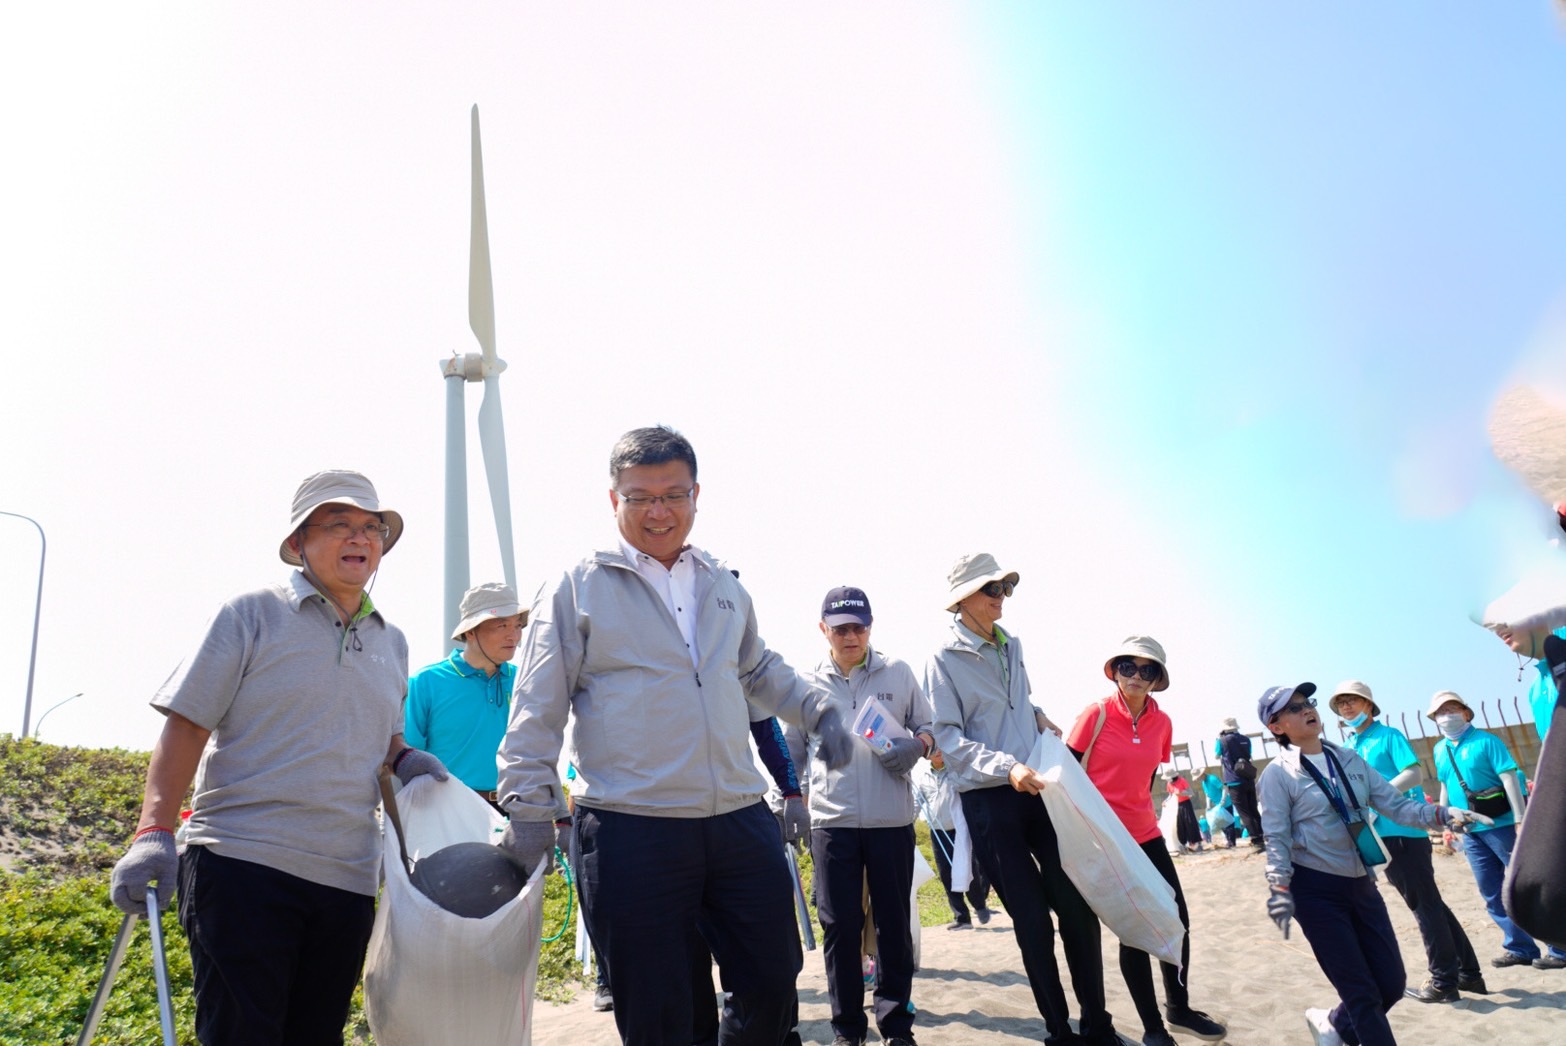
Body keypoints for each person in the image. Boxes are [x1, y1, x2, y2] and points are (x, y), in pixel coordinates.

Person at [495, 425, 852, 1046]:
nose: (658, 511)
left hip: (738, 817)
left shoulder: (722, 583)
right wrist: (528, 807)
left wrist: (819, 710)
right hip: (633, 825)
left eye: (673, 494)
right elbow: (536, 705)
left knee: (773, 981)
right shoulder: (576, 586)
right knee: (661, 1011)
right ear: (614, 501)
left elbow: (758, 668)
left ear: (695, 495)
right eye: (640, 497)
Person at [108, 470, 449, 1045]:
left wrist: (405, 755)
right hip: (244, 863)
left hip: (346, 878)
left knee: (315, 1036)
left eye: (371, 528)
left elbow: (382, 737)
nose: (359, 539)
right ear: (298, 544)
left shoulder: (392, 641)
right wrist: (154, 831)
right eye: (339, 525)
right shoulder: (251, 614)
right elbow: (188, 723)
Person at [927, 552, 1119, 1046]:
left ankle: (1098, 1025)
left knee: (1076, 909)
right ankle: (1060, 1031)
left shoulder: (1013, 646)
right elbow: (947, 736)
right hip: (990, 802)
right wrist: (1004, 767)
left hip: (1036, 791)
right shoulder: (942, 659)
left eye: (1006, 587)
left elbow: (1017, 700)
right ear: (962, 599)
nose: (1001, 596)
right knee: (1033, 923)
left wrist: (1039, 717)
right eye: (991, 588)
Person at [1256, 683, 1487, 1046]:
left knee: (1391, 984)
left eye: (1307, 703)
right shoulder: (1276, 775)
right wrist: (1280, 887)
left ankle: (1333, 1025)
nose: (1306, 710)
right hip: (1314, 890)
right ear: (1276, 726)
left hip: (1362, 882)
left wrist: (1443, 813)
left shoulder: (1349, 759)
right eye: (1293, 708)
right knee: (1362, 993)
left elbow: (1396, 806)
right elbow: (1276, 836)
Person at [784, 585, 933, 1046]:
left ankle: (895, 1024)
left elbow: (930, 728)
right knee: (839, 927)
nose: (851, 636)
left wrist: (919, 745)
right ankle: (848, 1029)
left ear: (870, 626)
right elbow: (792, 754)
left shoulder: (899, 673)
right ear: (823, 628)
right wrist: (791, 800)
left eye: (859, 627)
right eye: (841, 628)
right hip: (832, 824)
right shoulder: (804, 685)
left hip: (891, 822)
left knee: (893, 925)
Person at [1064, 636, 1226, 1046]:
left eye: (1147, 669)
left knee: (1177, 921)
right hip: (1106, 838)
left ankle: (1179, 1009)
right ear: (1114, 670)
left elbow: (1150, 775)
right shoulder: (1095, 714)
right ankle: (1153, 1028)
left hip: (1147, 832)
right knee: (1133, 930)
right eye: (1127, 667)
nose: (1136, 676)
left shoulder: (1163, 722)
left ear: (1158, 679)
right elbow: (1065, 772)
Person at [1328, 680, 1487, 1001]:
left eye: (1353, 701)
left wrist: (1377, 800)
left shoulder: (1388, 736)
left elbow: (1413, 773)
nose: (1346, 707)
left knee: (1423, 905)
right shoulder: (1349, 746)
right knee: (1430, 902)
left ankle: (1444, 981)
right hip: (1375, 834)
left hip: (1402, 831)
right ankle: (1469, 974)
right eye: (1341, 703)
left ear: (1369, 706)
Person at [1426, 689, 1566, 970]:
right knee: (1490, 890)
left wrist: (1520, 818)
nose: (1447, 716)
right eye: (1441, 712)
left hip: (1502, 826)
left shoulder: (1487, 741)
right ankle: (1519, 947)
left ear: (1466, 713)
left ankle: (1559, 948)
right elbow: (1443, 786)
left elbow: (1509, 777)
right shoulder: (1440, 749)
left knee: (1528, 884)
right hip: (1470, 830)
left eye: (1452, 709)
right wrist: (1444, 820)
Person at [405, 582, 526, 808]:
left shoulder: (524, 681)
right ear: (470, 631)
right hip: (447, 809)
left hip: (515, 811)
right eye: (502, 626)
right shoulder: (425, 682)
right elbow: (406, 757)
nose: (514, 636)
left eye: (518, 626)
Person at [912, 749, 994, 929]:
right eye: (932, 751)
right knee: (945, 873)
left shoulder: (955, 771)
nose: (937, 752)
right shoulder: (924, 777)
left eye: (939, 748)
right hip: (937, 831)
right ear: (926, 755)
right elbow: (918, 802)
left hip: (960, 829)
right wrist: (908, 822)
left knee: (967, 869)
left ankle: (980, 906)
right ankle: (962, 918)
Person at [1217, 717, 1264, 849]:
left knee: (1244, 812)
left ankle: (1256, 839)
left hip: (1234, 781)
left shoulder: (1222, 741)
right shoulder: (1246, 739)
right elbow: (1248, 754)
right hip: (1248, 778)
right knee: (1253, 809)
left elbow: (1216, 755)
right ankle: (1262, 835)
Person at [1164, 769, 1203, 853]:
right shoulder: (1169, 784)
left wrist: (1181, 793)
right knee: (1179, 825)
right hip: (1175, 806)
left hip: (1185, 804)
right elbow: (1170, 795)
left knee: (1190, 822)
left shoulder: (1182, 780)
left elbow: (1190, 792)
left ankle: (1196, 843)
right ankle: (1183, 844)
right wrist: (1165, 801)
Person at [1197, 769, 1238, 847]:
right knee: (1222, 824)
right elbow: (1207, 795)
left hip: (1226, 804)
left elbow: (1224, 788)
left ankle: (1232, 842)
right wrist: (1208, 805)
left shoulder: (1212, 779)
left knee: (1229, 823)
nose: (1198, 779)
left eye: (1198, 777)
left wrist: (1223, 799)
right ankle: (1228, 840)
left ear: (1202, 774)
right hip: (1217, 807)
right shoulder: (1203, 783)